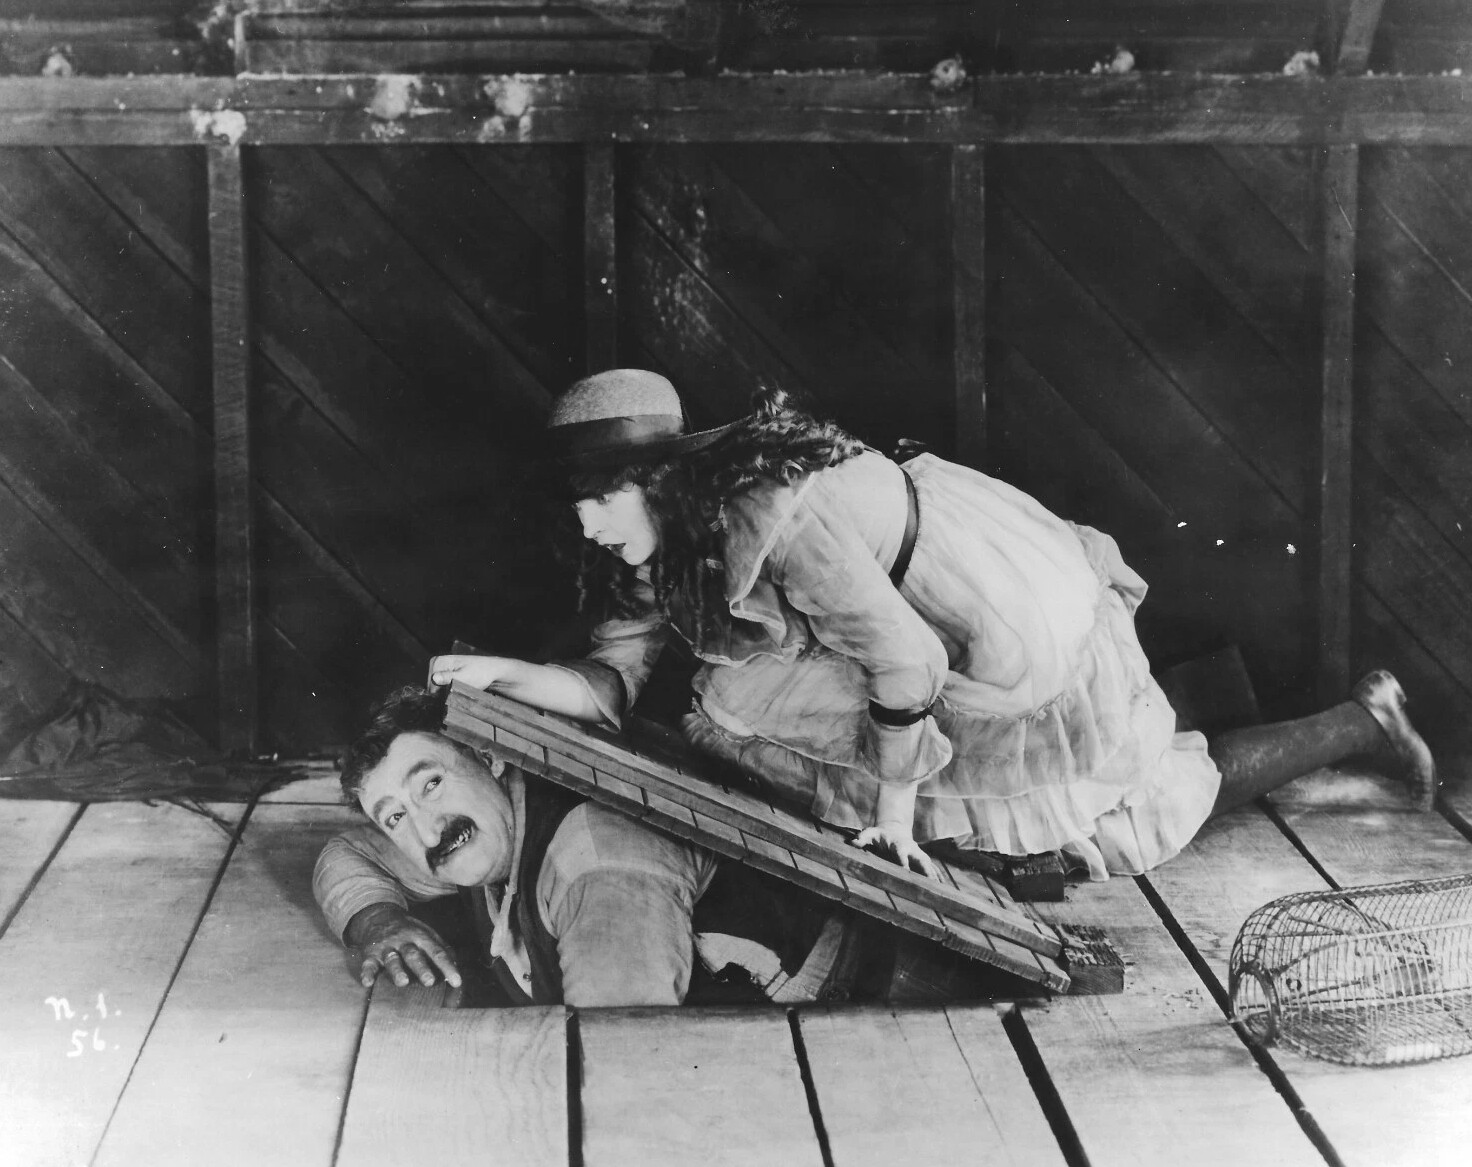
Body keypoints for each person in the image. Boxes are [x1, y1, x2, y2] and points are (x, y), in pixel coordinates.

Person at [420, 368, 1437, 885]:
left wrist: (895, 821)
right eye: (579, 504)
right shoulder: (662, 540)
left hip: (985, 605)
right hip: (914, 620)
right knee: (1109, 779)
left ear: (659, 478)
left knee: (1113, 817)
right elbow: (613, 679)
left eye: (603, 497)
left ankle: (1355, 724)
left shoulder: (771, 514)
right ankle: (1350, 722)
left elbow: (904, 664)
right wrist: (504, 673)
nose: (589, 525)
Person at [315, 685, 865, 1007]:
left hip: (841, 1018)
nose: (427, 831)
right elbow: (346, 854)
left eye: (431, 784)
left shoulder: (594, 864)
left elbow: (622, 1068)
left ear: (488, 756)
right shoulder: (474, 827)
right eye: (394, 816)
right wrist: (379, 921)